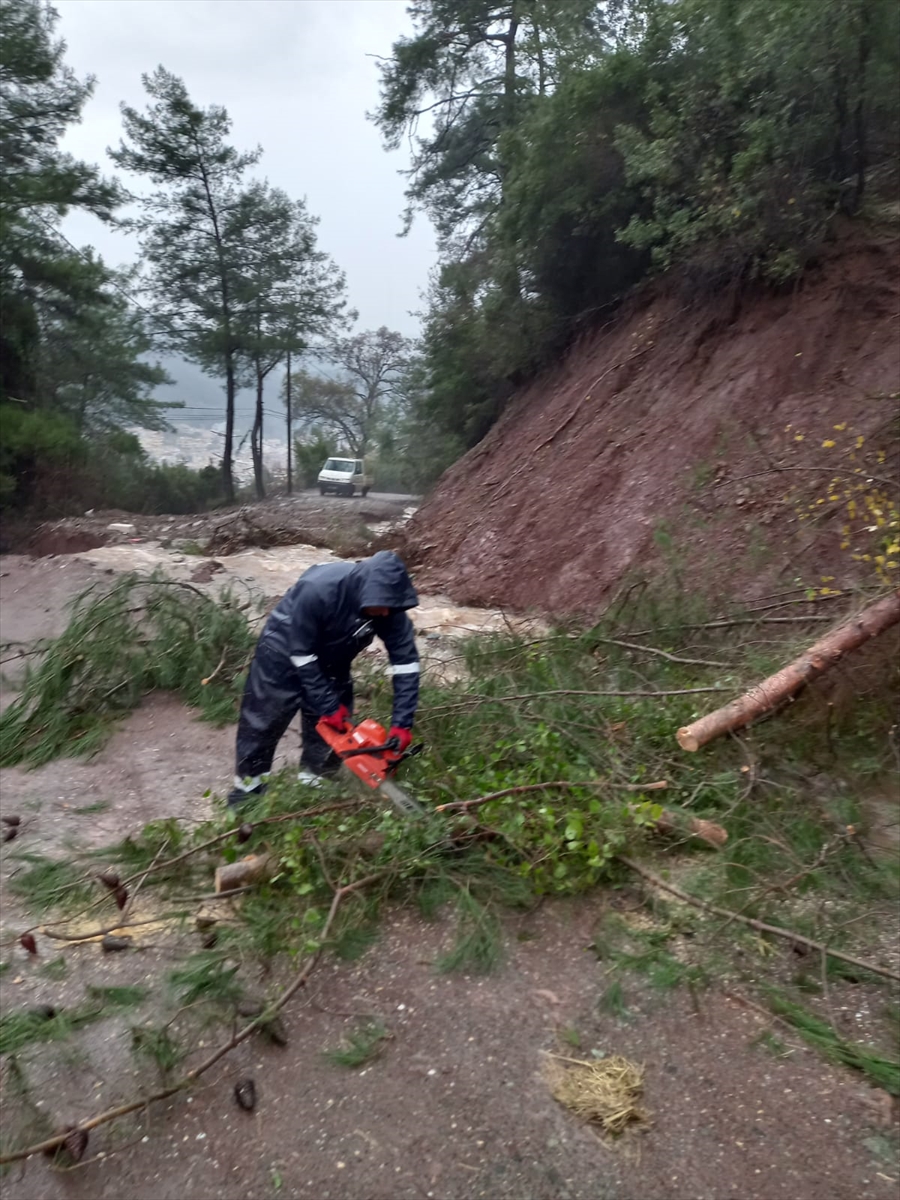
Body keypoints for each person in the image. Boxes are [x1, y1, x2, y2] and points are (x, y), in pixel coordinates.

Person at [228, 550, 420, 807]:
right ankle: (248, 794)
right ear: (366, 591)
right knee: (264, 720)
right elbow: (302, 654)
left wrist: (402, 724)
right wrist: (327, 704)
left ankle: (315, 785)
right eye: (381, 606)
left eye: (390, 607)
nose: (385, 613)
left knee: (335, 731)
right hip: (284, 650)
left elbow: (406, 664)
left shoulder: (389, 609)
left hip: (334, 658)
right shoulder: (318, 589)